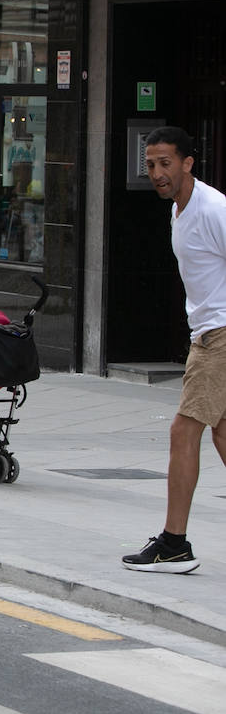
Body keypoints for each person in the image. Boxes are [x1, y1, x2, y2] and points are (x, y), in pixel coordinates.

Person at [121, 126, 226, 574]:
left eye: (166, 163)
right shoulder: (179, 210)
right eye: (150, 165)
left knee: (184, 431)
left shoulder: (212, 208)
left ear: (188, 163)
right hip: (206, 333)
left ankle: (174, 543)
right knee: (221, 433)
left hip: (220, 335)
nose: (157, 173)